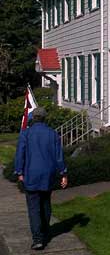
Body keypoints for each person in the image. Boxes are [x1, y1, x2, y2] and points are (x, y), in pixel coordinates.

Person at [15, 107, 68, 251]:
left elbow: (20, 154)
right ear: (45, 118)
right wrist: (63, 173)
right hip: (48, 174)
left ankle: (37, 238)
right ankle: (45, 231)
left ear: (33, 118)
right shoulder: (53, 134)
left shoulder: (25, 134)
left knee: (33, 208)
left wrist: (19, 172)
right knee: (45, 203)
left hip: (31, 174)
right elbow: (59, 156)